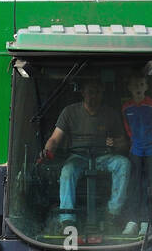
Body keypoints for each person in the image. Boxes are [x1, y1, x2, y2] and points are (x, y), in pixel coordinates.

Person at [41, 78, 130, 230]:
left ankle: (113, 213)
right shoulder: (69, 112)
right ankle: (67, 218)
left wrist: (115, 143)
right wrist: (47, 152)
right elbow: (55, 139)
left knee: (123, 164)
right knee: (67, 171)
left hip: (104, 156)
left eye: (96, 92)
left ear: (102, 93)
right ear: (82, 93)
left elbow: (124, 143)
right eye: (90, 92)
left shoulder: (110, 114)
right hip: (79, 157)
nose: (93, 96)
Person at [120, 73, 152, 238]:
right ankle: (133, 221)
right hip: (136, 150)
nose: (138, 88)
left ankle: (147, 221)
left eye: (141, 85)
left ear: (146, 87)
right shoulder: (126, 107)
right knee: (134, 186)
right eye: (134, 85)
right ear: (129, 88)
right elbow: (128, 130)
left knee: (151, 185)